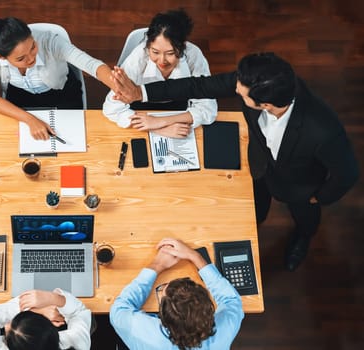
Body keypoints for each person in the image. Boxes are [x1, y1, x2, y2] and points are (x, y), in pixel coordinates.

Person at [111, 52, 359, 271]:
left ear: (265, 105)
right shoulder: (253, 80)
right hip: (261, 166)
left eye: (241, 93)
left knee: (305, 218)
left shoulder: (323, 130)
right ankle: (256, 224)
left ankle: (302, 239)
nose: (235, 89)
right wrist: (141, 92)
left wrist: (318, 196)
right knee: (257, 210)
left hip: (300, 187)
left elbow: (347, 174)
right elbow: (200, 87)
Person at [0, 17, 114, 140]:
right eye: (21, 58)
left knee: (71, 137)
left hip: (61, 92)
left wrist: (119, 87)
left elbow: (92, 65)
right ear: (1, 57)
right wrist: (29, 120)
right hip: (19, 96)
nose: (32, 58)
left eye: (33, 47)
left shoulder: (49, 41)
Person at [110, 238, 244, 349]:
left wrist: (157, 265)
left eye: (162, 292)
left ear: (162, 317)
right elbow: (231, 300)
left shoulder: (145, 332)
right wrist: (195, 256)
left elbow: (118, 310)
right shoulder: (225, 328)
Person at [103, 8, 217, 138]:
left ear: (183, 46)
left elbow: (208, 110)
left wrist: (160, 122)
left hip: (177, 111)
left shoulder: (194, 55)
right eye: (155, 52)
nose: (162, 60)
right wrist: (158, 129)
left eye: (170, 53)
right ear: (148, 44)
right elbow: (111, 108)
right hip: (141, 112)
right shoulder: (139, 58)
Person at [0, 288, 91, 350]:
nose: (6, 325)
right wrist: (52, 298)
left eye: (7, 334)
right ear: (50, 327)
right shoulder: (78, 343)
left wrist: (31, 310)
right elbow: (79, 312)